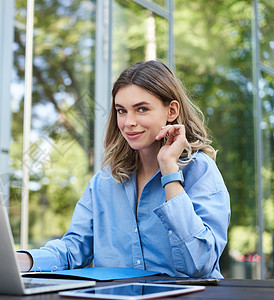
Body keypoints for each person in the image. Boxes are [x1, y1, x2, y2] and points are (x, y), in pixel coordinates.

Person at [17, 60, 230, 278]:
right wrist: (20, 261)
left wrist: (169, 170)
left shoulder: (200, 170)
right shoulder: (104, 182)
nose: (128, 122)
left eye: (142, 109)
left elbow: (202, 263)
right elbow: (73, 249)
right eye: (121, 111)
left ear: (172, 111)